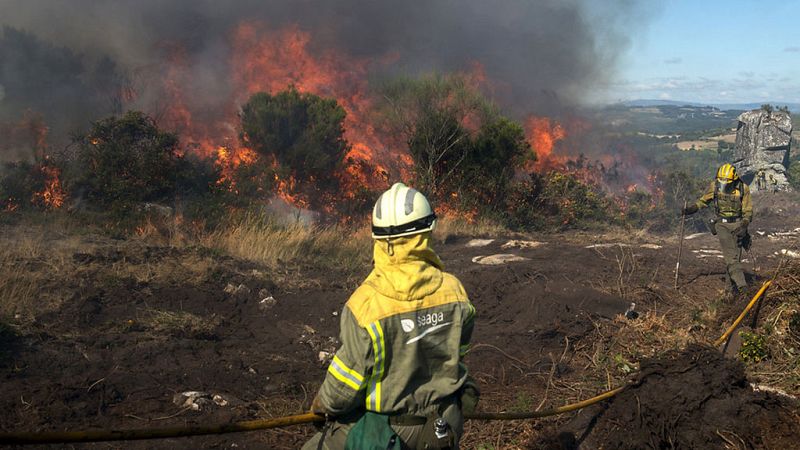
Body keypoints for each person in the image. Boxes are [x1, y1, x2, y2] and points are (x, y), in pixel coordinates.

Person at [303, 182, 479, 450]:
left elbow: (344, 387)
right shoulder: (454, 292)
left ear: (378, 240)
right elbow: (459, 356)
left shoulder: (366, 305)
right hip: (444, 424)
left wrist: (322, 407)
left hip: (389, 433)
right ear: (428, 232)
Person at [683, 164, 752, 297]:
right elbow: (703, 201)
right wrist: (692, 209)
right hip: (722, 226)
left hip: (738, 225)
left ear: (734, 180)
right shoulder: (714, 186)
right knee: (731, 259)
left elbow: (748, 211)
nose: (724, 185)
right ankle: (743, 289)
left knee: (734, 259)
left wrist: (744, 226)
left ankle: (729, 292)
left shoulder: (743, 189)